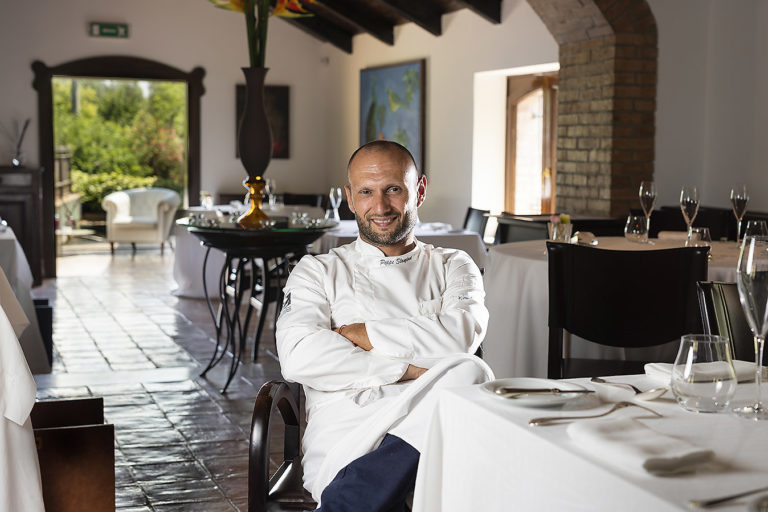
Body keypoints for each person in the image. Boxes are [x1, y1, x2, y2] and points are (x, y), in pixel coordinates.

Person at [275, 140, 493, 511]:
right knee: (469, 374)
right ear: (349, 197)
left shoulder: (454, 264)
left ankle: (355, 497)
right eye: (366, 192)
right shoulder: (318, 271)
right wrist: (411, 369)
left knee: (471, 369)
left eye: (393, 189)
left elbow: (461, 334)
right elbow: (298, 356)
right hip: (348, 429)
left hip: (437, 424)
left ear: (419, 191)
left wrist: (365, 335)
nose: (380, 206)